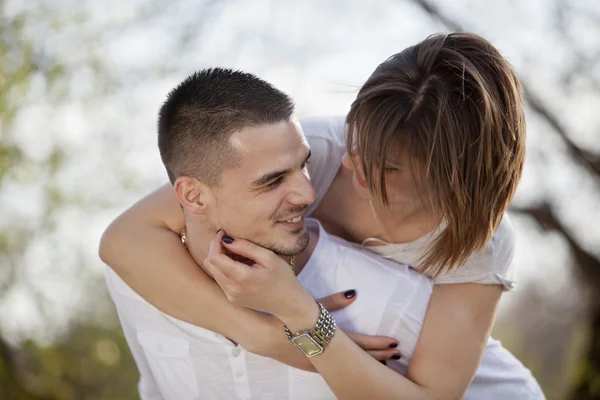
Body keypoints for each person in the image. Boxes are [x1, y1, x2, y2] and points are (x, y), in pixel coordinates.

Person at [100, 33, 530, 398]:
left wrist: (304, 317)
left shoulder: (478, 241)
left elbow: (429, 395)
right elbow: (126, 238)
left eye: (388, 168)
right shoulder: (309, 152)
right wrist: (262, 335)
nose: (349, 163)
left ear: (450, 180)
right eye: (357, 137)